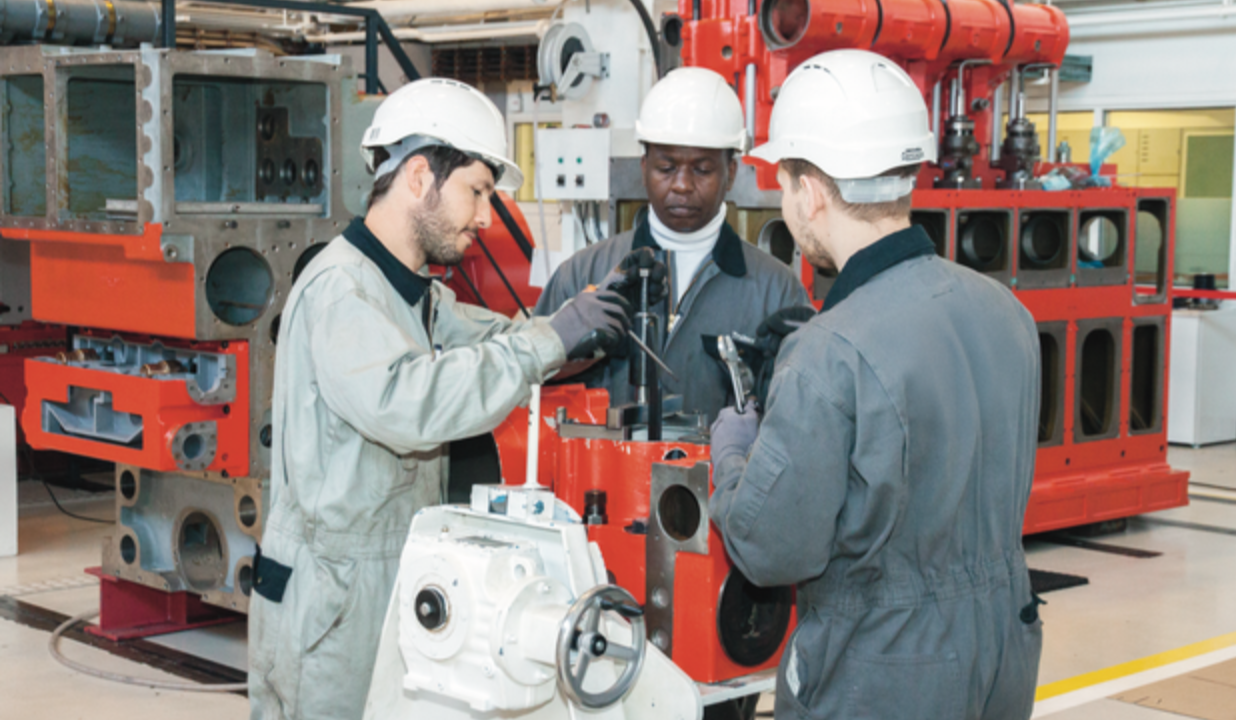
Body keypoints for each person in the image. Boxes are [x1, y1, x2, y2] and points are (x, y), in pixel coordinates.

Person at [246, 78, 631, 720]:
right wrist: (548, 342)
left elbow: (495, 340)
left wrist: (574, 328)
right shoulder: (343, 291)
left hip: (393, 570)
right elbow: (411, 404)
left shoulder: (415, 294)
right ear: (421, 176)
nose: (485, 217)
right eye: (477, 191)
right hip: (333, 592)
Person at [708, 50, 1043, 719]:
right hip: (1005, 648)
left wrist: (734, 451)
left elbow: (773, 547)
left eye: (783, 182)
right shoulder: (1007, 311)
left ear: (810, 190)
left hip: (884, 672)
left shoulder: (828, 351)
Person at [533, 67, 811, 417]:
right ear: (644, 166)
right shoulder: (581, 275)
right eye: (666, 168)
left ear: (731, 174)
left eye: (702, 170)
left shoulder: (776, 292)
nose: (681, 184)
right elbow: (532, 390)